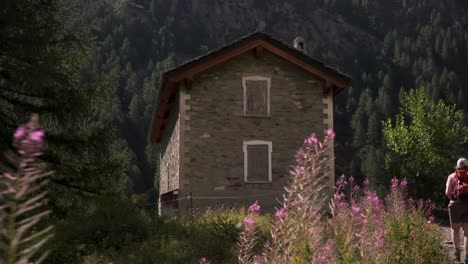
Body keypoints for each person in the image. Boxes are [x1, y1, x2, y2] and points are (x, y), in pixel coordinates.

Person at [446, 158, 468, 263]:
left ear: (457, 165)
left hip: (455, 205)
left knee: (455, 230)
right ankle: (467, 257)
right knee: (467, 233)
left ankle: (457, 252)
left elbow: (447, 192)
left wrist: (452, 200)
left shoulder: (451, 176)